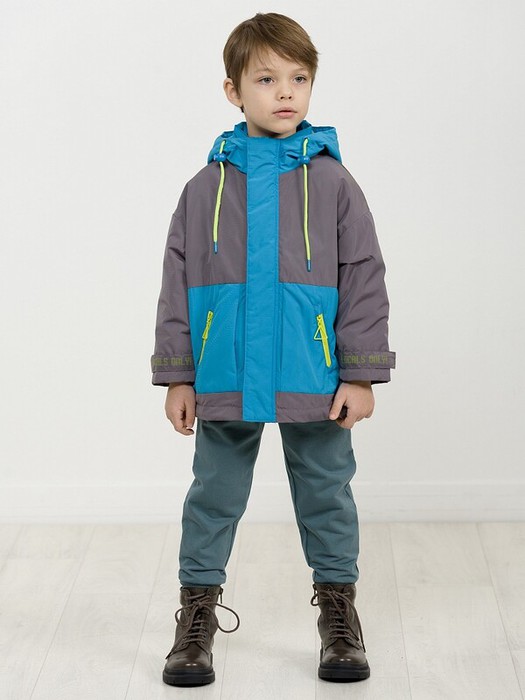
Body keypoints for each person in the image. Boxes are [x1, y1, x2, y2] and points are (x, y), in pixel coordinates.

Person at [150, 11, 395, 687]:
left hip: (314, 373)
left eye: (298, 78)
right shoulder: (204, 189)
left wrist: (360, 372)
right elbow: (176, 283)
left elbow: (363, 276)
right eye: (265, 79)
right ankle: (196, 617)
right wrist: (178, 374)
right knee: (213, 495)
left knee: (325, 493)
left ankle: (338, 615)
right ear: (233, 90)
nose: (285, 91)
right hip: (224, 371)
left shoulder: (334, 183)